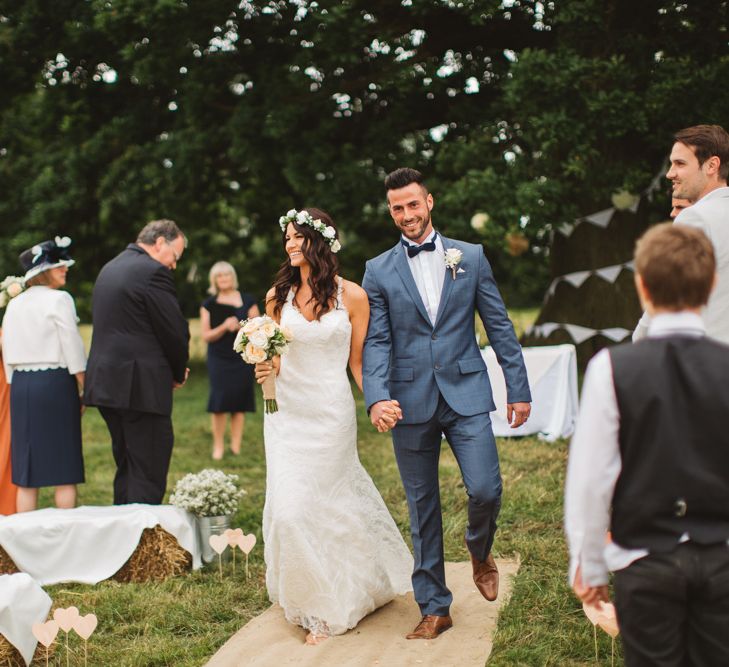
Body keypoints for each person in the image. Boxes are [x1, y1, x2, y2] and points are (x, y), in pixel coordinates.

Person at [361, 168, 532, 640]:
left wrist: (517, 387)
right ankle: (435, 605)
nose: (406, 215)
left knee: (486, 490)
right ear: (391, 211)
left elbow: (498, 325)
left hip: (466, 392)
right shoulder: (378, 270)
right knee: (422, 506)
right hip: (408, 397)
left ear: (429, 202)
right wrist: (376, 396)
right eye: (397, 208)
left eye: (413, 204)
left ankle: (479, 548)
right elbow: (376, 341)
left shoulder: (470, 257)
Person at [566, 223, 729, 666]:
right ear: (712, 284)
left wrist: (589, 562)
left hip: (645, 560)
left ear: (641, 286)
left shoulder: (610, 368)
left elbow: (591, 476)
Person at [254, 207, 412, 645]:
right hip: (286, 414)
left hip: (331, 412)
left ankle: (339, 600)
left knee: (331, 504)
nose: (288, 244)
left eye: (296, 236)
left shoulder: (353, 297)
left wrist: (376, 403)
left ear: (319, 241)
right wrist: (265, 365)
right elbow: (277, 357)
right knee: (289, 510)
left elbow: (358, 363)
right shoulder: (276, 297)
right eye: (285, 237)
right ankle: (313, 599)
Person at [85, 220, 190, 505]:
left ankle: (123, 536)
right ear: (159, 243)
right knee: (148, 469)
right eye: (175, 256)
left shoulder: (110, 268)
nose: (174, 265)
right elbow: (174, 331)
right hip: (139, 388)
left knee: (127, 466)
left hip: (108, 384)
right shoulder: (153, 272)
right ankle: (143, 541)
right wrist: (179, 371)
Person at [1, 238, 86, 512]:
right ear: (43, 271)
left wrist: (15, 384)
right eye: (60, 265)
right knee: (64, 467)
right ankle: (67, 536)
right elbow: (72, 347)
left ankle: (24, 544)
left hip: (22, 386)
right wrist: (85, 387)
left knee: (27, 471)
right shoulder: (61, 299)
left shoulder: (15, 304)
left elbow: (7, 348)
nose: (65, 269)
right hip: (55, 384)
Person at [634, 124, 729, 343]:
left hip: (707, 361)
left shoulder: (695, 217)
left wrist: (640, 339)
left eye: (680, 163)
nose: (670, 173)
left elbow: (666, 290)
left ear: (712, 165)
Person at [200, 261, 259, 460]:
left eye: (226, 275)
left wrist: (241, 328)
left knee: (239, 401)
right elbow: (206, 335)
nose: (223, 279)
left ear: (232, 277)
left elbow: (257, 330)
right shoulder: (208, 304)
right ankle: (218, 446)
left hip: (241, 357)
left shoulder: (248, 300)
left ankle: (236, 446)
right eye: (219, 276)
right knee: (219, 402)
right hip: (219, 358)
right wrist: (224, 327)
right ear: (214, 280)